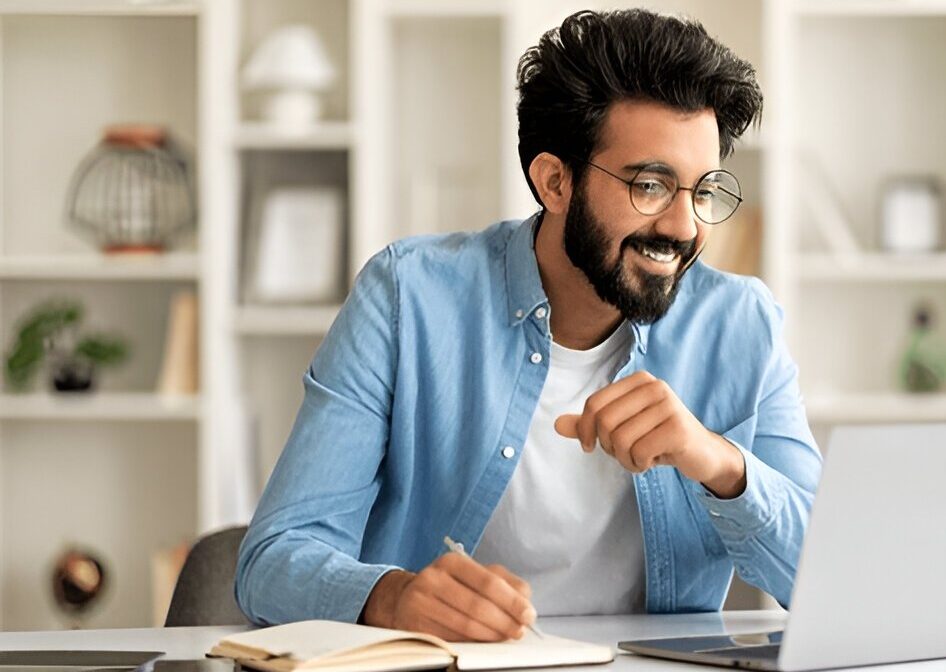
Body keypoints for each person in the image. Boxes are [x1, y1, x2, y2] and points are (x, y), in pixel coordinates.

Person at [235, 8, 822, 643]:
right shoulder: (409, 298)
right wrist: (393, 598)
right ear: (554, 181)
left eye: (702, 191)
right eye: (650, 185)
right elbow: (273, 561)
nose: (684, 227)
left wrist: (721, 463)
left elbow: (829, 578)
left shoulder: (740, 324)